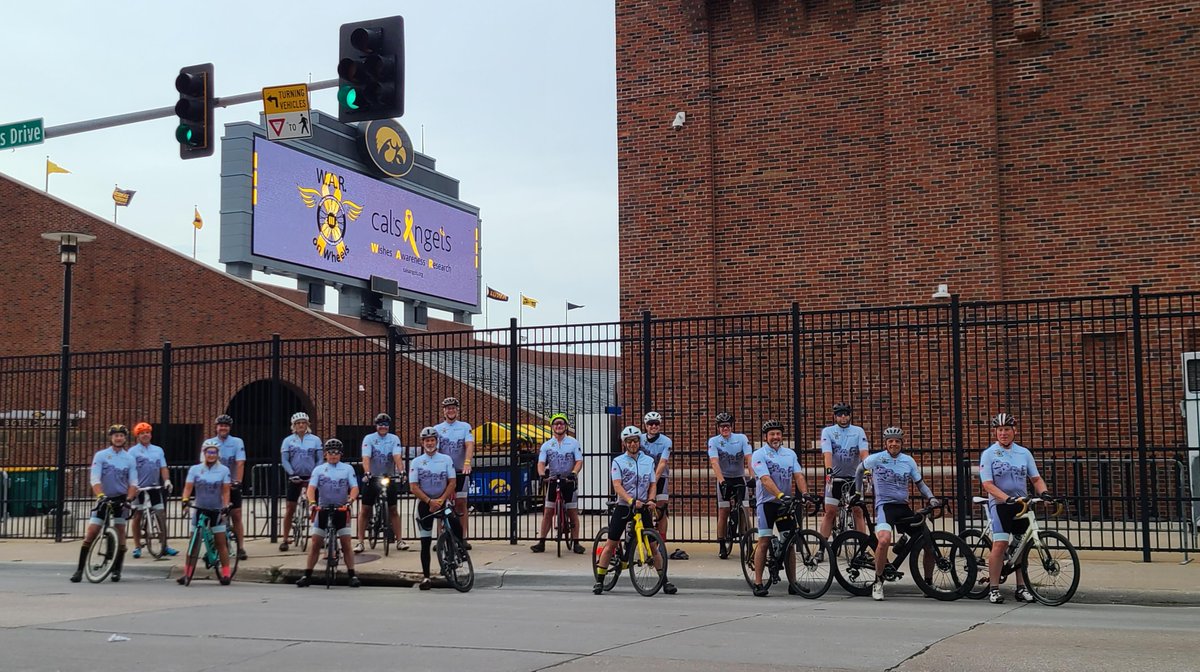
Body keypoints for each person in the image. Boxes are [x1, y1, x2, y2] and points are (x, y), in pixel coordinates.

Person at [855, 426, 939, 601]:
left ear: (902, 443)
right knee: (884, 540)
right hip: (885, 507)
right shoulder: (877, 458)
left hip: (903, 507)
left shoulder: (908, 461)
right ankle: (878, 582)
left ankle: (928, 584)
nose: (894, 444)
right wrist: (858, 493)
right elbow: (859, 470)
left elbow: (920, 483)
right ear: (886, 443)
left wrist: (931, 497)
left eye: (897, 441)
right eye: (891, 441)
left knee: (928, 543)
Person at [980, 413, 1054, 605]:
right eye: (1000, 430)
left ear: (1014, 431)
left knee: (1022, 546)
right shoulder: (989, 454)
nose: (1003, 433)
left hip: (1021, 504)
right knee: (1000, 544)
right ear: (995, 432)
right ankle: (994, 588)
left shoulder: (1024, 453)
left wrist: (1044, 493)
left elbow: (1035, 478)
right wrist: (1006, 498)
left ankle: (1021, 588)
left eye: (1007, 429)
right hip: (1001, 504)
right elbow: (987, 484)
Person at [593, 426, 676, 595]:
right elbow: (617, 485)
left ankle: (664, 580)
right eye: (629, 441)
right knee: (611, 543)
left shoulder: (648, 461)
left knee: (653, 545)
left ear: (640, 442)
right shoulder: (618, 461)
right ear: (624, 444)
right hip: (625, 505)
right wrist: (630, 500)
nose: (633, 444)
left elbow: (653, 484)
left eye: (636, 441)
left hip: (643, 505)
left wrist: (651, 499)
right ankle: (600, 580)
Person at [70, 424, 139, 583]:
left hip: (120, 498)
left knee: (120, 530)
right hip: (104, 497)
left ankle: (116, 570)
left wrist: (129, 499)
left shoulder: (129, 458)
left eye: (121, 435)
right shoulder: (101, 455)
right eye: (116, 435)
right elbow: (95, 478)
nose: (119, 438)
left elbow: (133, 482)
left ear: (125, 438)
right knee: (92, 532)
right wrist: (100, 495)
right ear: (111, 438)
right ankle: (79, 570)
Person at [749, 420, 811, 597]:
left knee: (790, 542)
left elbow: (798, 475)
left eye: (778, 434)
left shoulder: (789, 454)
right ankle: (758, 582)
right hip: (767, 503)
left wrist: (805, 493)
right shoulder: (759, 454)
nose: (775, 437)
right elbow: (765, 479)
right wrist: (779, 495)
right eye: (772, 434)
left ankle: (793, 584)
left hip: (784, 503)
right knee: (764, 541)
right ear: (766, 437)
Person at [296, 439, 361, 588]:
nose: (333, 455)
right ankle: (307, 574)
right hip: (323, 509)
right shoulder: (319, 469)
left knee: (346, 542)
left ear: (340, 455)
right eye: (330, 453)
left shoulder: (347, 469)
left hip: (341, 509)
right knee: (315, 542)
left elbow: (355, 488)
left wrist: (350, 501)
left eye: (336, 453)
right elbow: (311, 488)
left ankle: (352, 574)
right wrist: (312, 503)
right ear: (325, 454)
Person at [177, 439, 233, 585]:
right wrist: (185, 500)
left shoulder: (224, 470)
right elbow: (188, 487)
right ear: (204, 453)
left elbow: (226, 491)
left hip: (216, 509)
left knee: (220, 542)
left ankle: (226, 573)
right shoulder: (195, 469)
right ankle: (187, 573)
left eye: (214, 452)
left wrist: (226, 506)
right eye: (209, 452)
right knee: (192, 543)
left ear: (217, 454)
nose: (211, 455)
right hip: (199, 509)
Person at [409, 426, 459, 590]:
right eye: (427, 440)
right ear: (422, 443)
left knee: (455, 523)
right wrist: (429, 501)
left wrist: (441, 500)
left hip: (443, 501)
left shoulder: (446, 459)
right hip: (425, 504)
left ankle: (456, 553)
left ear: (437, 442)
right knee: (425, 542)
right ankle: (426, 577)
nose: (430, 443)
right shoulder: (416, 462)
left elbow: (452, 482)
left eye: (432, 440)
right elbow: (414, 486)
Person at [531, 412, 584, 554]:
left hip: (569, 480)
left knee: (572, 512)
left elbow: (579, 461)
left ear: (566, 426)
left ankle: (577, 542)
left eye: (561, 423)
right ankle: (541, 542)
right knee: (548, 511)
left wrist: (574, 473)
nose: (559, 425)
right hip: (553, 480)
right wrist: (542, 475)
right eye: (556, 423)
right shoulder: (547, 445)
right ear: (552, 427)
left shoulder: (573, 442)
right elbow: (541, 462)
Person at [356, 413, 408, 553]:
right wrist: (367, 472)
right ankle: (360, 542)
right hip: (372, 477)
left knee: (393, 509)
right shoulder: (369, 438)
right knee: (365, 509)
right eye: (380, 424)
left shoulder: (394, 439)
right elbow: (366, 457)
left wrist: (401, 471)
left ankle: (399, 540)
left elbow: (397, 456)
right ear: (376, 426)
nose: (383, 427)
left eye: (385, 425)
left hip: (387, 476)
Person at [820, 403, 870, 543]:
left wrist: (866, 468)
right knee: (830, 512)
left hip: (855, 477)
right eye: (840, 414)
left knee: (858, 511)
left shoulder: (858, 431)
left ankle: (863, 546)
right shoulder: (828, 431)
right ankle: (822, 548)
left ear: (850, 415)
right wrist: (829, 470)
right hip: (835, 478)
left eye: (846, 414)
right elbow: (827, 453)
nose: (843, 416)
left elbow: (863, 452)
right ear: (835, 416)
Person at [127, 422, 178, 558]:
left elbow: (163, 467)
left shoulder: (158, 450)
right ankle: (137, 546)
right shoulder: (132, 451)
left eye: (147, 432)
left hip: (154, 487)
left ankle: (165, 545)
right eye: (142, 433)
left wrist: (166, 480)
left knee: (161, 514)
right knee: (137, 516)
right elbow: (130, 470)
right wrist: (132, 486)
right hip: (139, 489)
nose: (145, 435)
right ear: (138, 436)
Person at [707, 412, 752, 558]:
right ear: (718, 428)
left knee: (745, 508)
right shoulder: (714, 441)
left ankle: (747, 541)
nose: (724, 428)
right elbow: (714, 462)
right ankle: (721, 544)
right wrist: (722, 481)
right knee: (724, 511)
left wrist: (752, 476)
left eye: (727, 425)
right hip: (724, 478)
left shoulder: (741, 438)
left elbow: (749, 458)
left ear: (731, 426)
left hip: (739, 478)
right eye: (722, 426)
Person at [434, 397, 475, 549]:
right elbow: (435, 450)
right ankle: (440, 538)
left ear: (457, 410)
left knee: (461, 503)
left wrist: (467, 463)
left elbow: (469, 445)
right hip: (444, 472)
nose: (450, 411)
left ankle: (462, 537)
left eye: (453, 408)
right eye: (448, 408)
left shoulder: (464, 427)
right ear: (444, 411)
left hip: (460, 470)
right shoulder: (437, 429)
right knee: (441, 504)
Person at [280, 411, 323, 551]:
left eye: (303, 423)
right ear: (294, 425)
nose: (301, 425)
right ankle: (285, 539)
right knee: (290, 509)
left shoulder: (315, 440)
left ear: (307, 424)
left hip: (311, 478)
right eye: (298, 423)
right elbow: (285, 460)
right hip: (295, 477)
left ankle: (319, 537)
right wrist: (291, 474)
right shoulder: (288, 441)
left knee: (316, 508)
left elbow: (320, 459)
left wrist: (315, 474)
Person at [208, 414, 248, 561]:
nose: (223, 428)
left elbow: (240, 463)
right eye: (220, 425)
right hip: (215, 485)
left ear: (229, 428)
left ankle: (241, 547)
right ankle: (212, 545)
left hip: (231, 484)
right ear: (216, 427)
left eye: (226, 425)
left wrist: (237, 481)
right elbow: (205, 463)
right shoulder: (210, 443)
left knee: (236, 515)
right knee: (213, 516)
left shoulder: (237, 442)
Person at [639, 411, 672, 544]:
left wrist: (653, 481)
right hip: (642, 477)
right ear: (645, 425)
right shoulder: (639, 438)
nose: (653, 426)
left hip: (660, 477)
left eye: (656, 424)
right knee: (642, 509)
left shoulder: (666, 441)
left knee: (661, 510)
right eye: (650, 424)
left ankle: (662, 542)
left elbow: (662, 463)